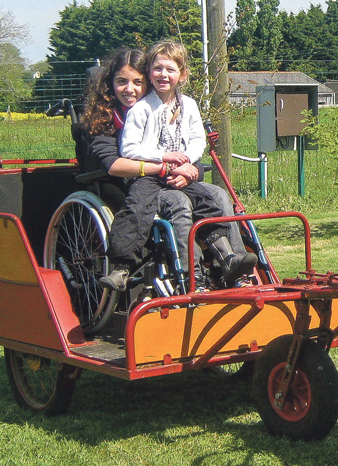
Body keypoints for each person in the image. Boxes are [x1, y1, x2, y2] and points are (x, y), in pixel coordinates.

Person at [102, 39, 256, 292]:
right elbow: (129, 149)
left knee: (215, 197)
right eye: (158, 69)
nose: (163, 75)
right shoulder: (141, 109)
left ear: (182, 75)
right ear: (149, 72)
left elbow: (197, 140)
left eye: (170, 69)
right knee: (175, 204)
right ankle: (190, 273)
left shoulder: (190, 106)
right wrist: (165, 158)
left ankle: (231, 262)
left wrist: (188, 164)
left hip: (181, 174)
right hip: (151, 178)